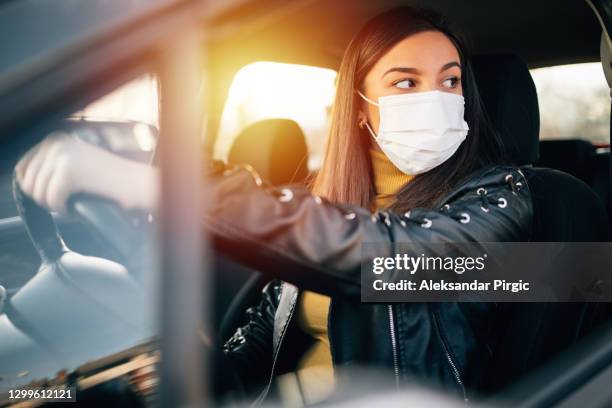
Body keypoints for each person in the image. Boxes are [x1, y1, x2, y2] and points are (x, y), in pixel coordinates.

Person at [16, 6, 532, 406]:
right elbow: (249, 359)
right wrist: (79, 391)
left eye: (450, 80)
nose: (437, 97)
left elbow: (394, 260)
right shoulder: (323, 208)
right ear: (357, 107)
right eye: (405, 82)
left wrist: (171, 191)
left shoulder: (503, 197)